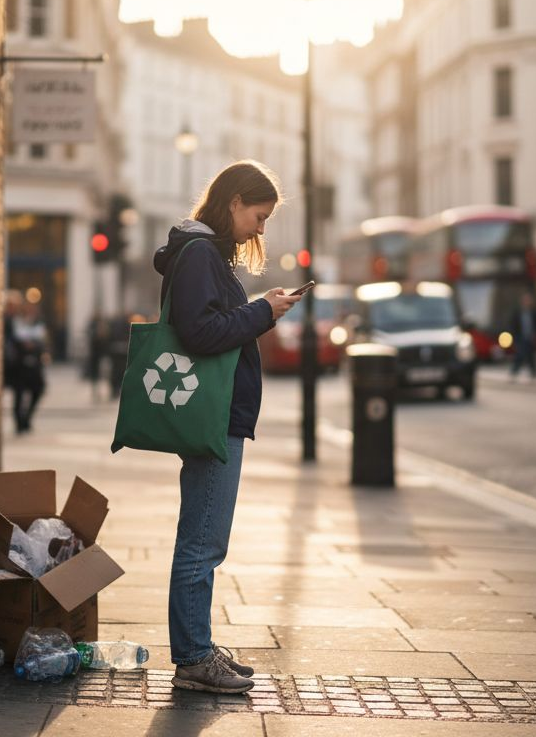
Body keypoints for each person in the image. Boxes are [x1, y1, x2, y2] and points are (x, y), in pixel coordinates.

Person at [152, 160, 301, 695]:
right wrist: (264, 311)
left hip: (218, 414)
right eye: (259, 216)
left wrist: (262, 310)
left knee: (205, 536)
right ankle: (193, 656)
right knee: (202, 540)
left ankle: (199, 644)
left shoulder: (206, 255)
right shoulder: (199, 256)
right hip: (213, 416)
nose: (261, 229)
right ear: (234, 201)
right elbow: (199, 332)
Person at [10, 297, 49, 433]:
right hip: (19, 366)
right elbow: (14, 339)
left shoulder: (38, 323)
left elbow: (42, 340)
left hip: (34, 365)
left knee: (38, 390)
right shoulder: (16, 322)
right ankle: (20, 422)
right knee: (19, 395)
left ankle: (26, 418)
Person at [509, 290, 536, 381]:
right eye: (526, 300)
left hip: (531, 337)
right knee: (520, 354)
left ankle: (534, 372)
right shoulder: (517, 313)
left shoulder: (535, 313)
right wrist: (514, 337)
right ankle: (514, 371)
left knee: (531, 355)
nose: (527, 302)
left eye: (529, 300)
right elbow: (513, 325)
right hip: (520, 337)